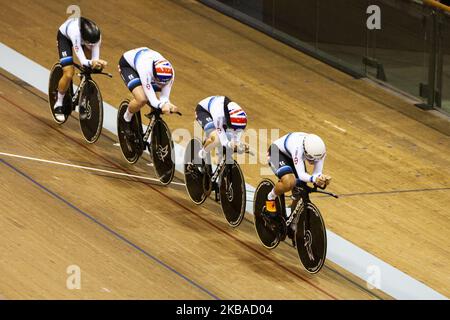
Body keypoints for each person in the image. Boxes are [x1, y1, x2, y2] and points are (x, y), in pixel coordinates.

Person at [54, 16, 107, 121]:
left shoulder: (97, 36)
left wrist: (97, 64)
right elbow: (83, 60)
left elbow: (94, 59)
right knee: (69, 73)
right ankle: (58, 102)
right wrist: (92, 62)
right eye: (89, 43)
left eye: (92, 43)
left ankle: (83, 82)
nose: (91, 45)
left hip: (83, 40)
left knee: (89, 67)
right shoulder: (75, 33)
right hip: (65, 38)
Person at [266, 132, 332, 213]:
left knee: (301, 190)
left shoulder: (320, 152)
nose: (314, 161)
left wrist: (321, 178)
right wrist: (314, 179)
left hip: (293, 157)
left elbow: (317, 173)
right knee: (289, 182)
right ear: (305, 151)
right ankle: (270, 197)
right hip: (276, 152)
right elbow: (301, 175)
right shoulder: (298, 148)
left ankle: (293, 223)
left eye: (316, 159)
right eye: (311, 158)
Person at [118, 47, 179, 132]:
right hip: (128, 65)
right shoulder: (145, 70)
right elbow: (152, 99)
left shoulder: (170, 73)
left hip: (145, 58)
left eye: (162, 83)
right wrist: (161, 105)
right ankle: (126, 119)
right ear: (154, 74)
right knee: (142, 99)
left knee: (159, 101)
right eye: (158, 81)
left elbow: (164, 97)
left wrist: (167, 103)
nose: (160, 84)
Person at [195, 95, 249, 160]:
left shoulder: (242, 116)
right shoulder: (219, 116)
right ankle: (201, 154)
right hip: (204, 111)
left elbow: (237, 132)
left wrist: (238, 143)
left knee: (229, 136)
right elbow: (224, 142)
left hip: (222, 112)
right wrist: (229, 144)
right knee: (216, 139)